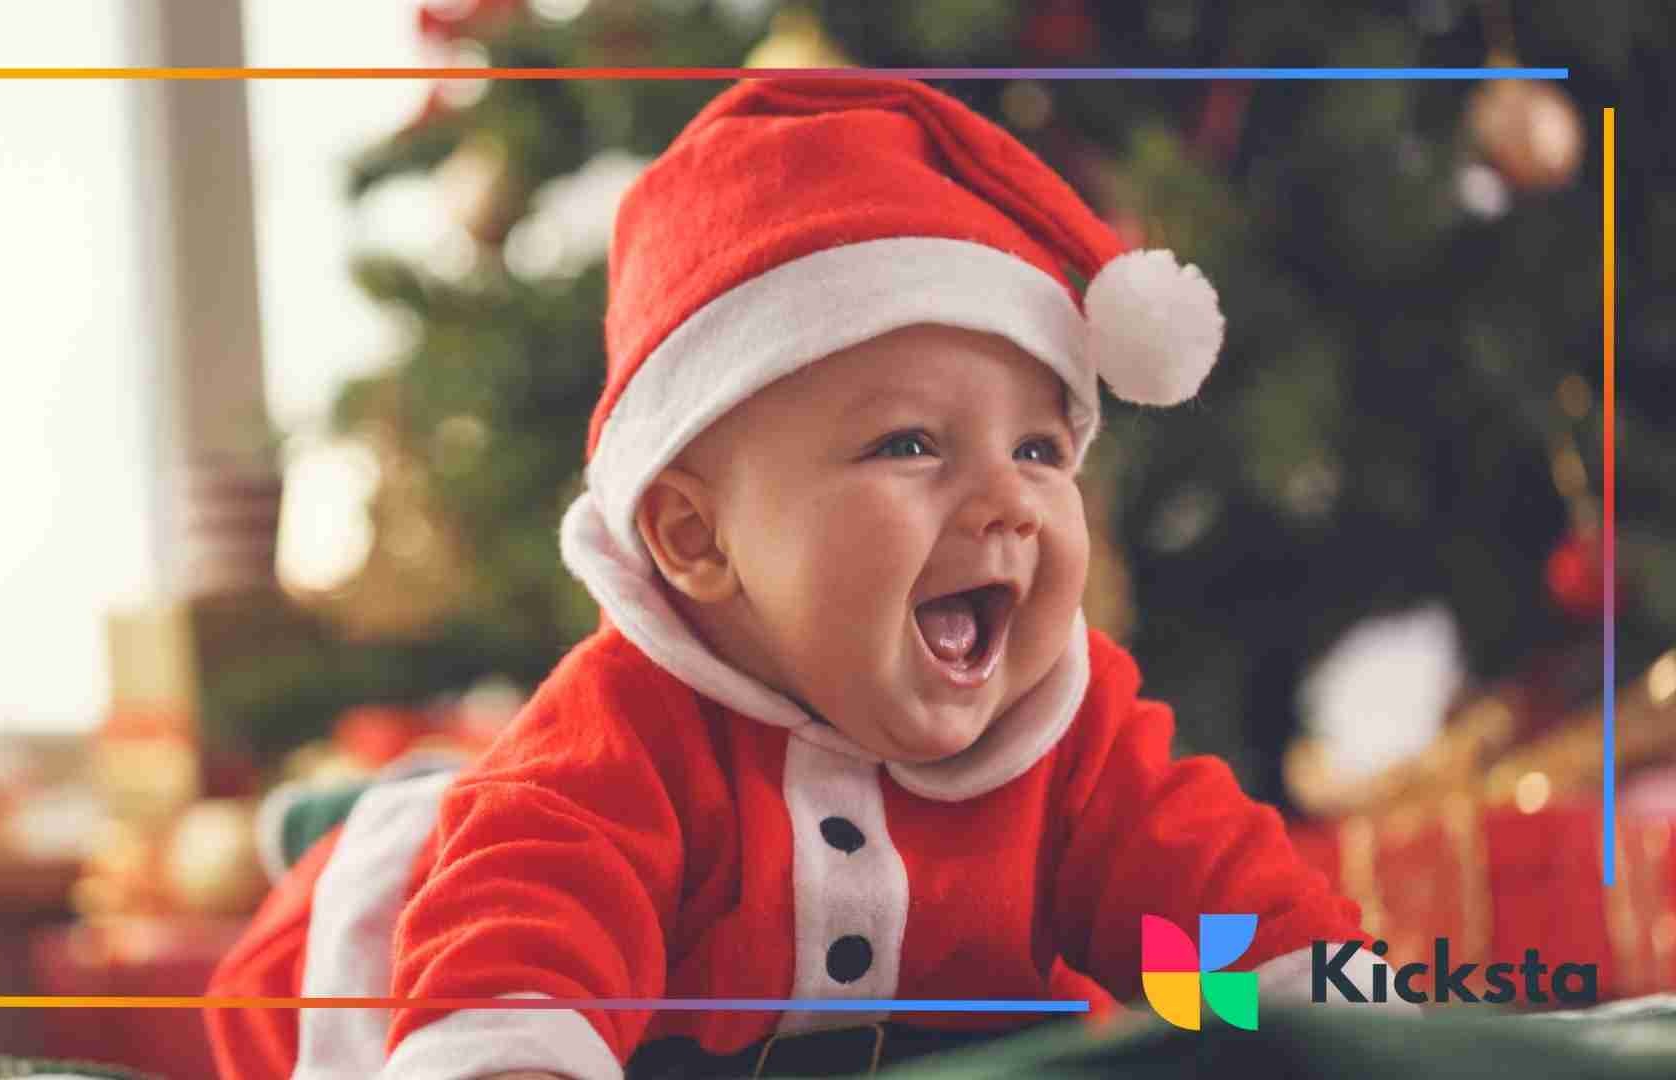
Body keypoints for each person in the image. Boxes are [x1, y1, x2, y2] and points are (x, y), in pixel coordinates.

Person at [206, 77, 1413, 1080]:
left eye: (1041, 450)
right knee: (417, 876)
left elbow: (1235, 927)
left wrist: (1344, 1024)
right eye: (911, 445)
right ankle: (367, 818)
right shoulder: (623, 735)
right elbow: (530, 937)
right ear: (696, 541)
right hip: (416, 956)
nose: (1007, 502)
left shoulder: (1072, 744)